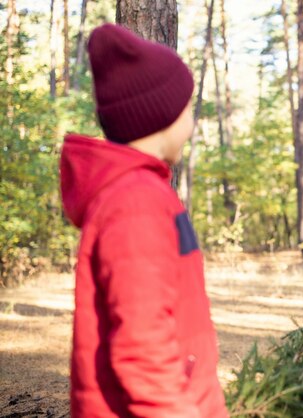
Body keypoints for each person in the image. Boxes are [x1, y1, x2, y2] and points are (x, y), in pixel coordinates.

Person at [60, 24, 229, 417]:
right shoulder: (135, 201)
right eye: (187, 106)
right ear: (162, 115)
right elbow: (142, 346)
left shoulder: (141, 191)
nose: (192, 118)